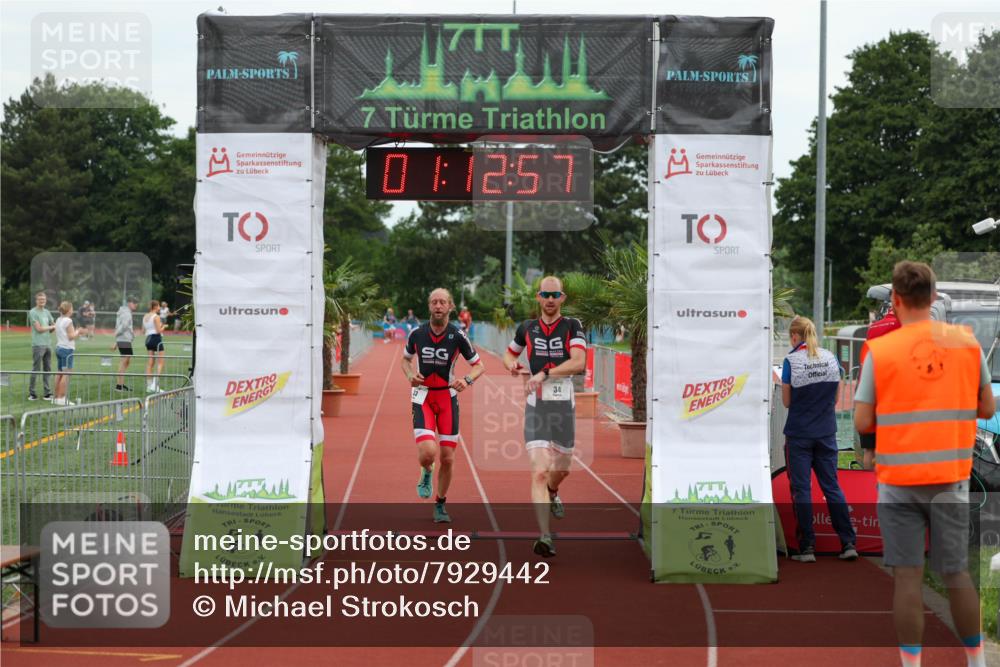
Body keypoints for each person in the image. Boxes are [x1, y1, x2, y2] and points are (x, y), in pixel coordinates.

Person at [854, 261, 992, 667]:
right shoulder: (967, 344)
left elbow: (862, 420)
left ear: (895, 300)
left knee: (908, 577)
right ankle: (978, 661)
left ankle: (912, 664)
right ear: (933, 298)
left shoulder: (881, 351)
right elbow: (986, 406)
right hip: (950, 477)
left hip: (898, 479)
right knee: (957, 574)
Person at [502, 276, 586, 558]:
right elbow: (509, 353)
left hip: (563, 406)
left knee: (562, 469)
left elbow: (578, 362)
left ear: (562, 298)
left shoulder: (572, 326)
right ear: (538, 297)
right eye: (545, 294)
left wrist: (545, 374)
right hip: (535, 406)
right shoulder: (527, 328)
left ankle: (553, 491)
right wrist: (511, 364)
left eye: (555, 294)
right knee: (538, 470)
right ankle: (545, 536)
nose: (550, 299)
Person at [401, 288, 485, 523]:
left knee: (448, 458)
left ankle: (440, 504)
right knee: (429, 452)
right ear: (429, 306)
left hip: (448, 398)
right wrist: (410, 375)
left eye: (442, 302)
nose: (438, 306)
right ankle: (427, 470)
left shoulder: (458, 336)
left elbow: (479, 366)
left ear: (450, 307)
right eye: (434, 302)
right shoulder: (417, 334)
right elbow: (405, 360)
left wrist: (466, 380)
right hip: (423, 397)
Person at [781, 315, 858, 562]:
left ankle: (807, 548)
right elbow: (836, 399)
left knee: (802, 490)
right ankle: (848, 543)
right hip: (826, 433)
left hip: (799, 434)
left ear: (795, 336)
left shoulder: (791, 361)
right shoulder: (830, 358)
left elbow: (786, 401)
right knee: (832, 487)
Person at [858, 306, 903, 469]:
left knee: (870, 449)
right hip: (891, 394)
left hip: (870, 391)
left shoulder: (874, 327)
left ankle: (869, 485)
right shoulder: (902, 324)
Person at [53, 301, 84, 405]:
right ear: (69, 309)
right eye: (72, 308)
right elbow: (71, 337)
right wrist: (78, 332)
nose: (73, 310)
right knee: (66, 373)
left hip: (59, 347)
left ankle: (56, 397)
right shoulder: (68, 321)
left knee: (59, 372)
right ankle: (61, 398)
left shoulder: (58, 319)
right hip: (66, 349)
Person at [27, 291, 55, 401]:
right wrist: (51, 326)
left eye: (44, 299)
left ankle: (47, 393)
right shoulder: (33, 312)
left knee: (48, 369)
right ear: (36, 301)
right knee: (36, 369)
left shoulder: (47, 312)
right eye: (40, 299)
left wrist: (52, 327)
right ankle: (32, 393)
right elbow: (39, 329)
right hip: (38, 345)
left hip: (48, 344)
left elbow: (52, 327)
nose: (42, 301)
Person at [113, 297, 138, 391]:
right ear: (129, 303)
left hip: (124, 339)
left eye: (136, 303)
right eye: (134, 302)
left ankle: (121, 384)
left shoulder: (124, 312)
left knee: (126, 361)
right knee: (124, 362)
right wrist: (117, 334)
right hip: (124, 339)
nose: (136, 304)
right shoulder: (126, 313)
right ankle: (119, 386)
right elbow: (124, 326)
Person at [143, 300, 167, 393]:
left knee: (150, 363)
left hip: (148, 339)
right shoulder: (156, 317)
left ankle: (149, 386)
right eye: (158, 306)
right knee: (160, 362)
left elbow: (143, 330)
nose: (159, 308)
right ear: (155, 306)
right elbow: (158, 331)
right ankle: (154, 385)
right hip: (156, 338)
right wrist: (163, 327)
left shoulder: (145, 316)